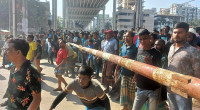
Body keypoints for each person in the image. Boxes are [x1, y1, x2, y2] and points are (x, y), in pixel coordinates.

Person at [167, 22, 200, 110]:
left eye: (180, 32)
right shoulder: (171, 48)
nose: (177, 35)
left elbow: (198, 73)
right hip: (170, 88)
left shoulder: (193, 51)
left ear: (186, 34)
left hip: (183, 92)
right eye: (175, 32)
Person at [5, 39, 41, 109]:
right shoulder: (13, 68)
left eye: (8, 50)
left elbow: (36, 100)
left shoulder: (31, 72)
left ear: (18, 52)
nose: (5, 52)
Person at [132, 29, 161, 110]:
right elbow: (136, 65)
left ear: (149, 38)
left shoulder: (156, 53)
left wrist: (151, 64)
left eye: (145, 38)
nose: (142, 41)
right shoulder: (138, 50)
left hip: (153, 89)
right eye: (140, 39)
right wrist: (135, 75)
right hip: (140, 87)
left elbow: (159, 72)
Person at [114, 31, 137, 110]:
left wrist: (135, 75)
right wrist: (116, 69)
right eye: (124, 36)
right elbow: (120, 59)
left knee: (131, 93)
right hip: (123, 73)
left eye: (127, 36)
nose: (125, 38)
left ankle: (130, 108)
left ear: (132, 38)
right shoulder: (123, 47)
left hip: (131, 74)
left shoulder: (135, 49)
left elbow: (137, 62)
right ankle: (125, 107)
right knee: (124, 92)